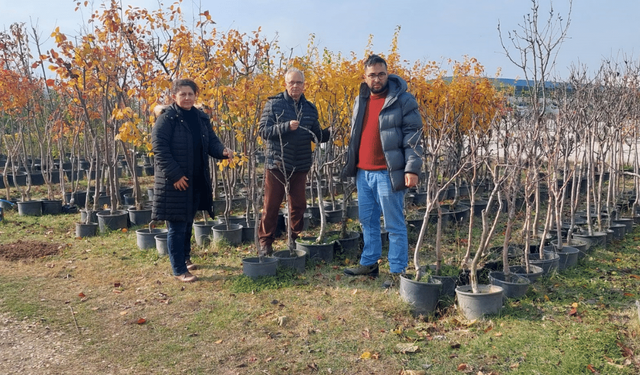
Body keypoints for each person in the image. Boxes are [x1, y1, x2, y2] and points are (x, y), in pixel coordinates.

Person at [342, 54, 423, 288]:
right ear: (364, 77)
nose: (376, 79)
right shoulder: (361, 99)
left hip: (388, 172)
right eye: (372, 75)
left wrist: (412, 168)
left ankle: (398, 272)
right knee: (367, 221)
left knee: (394, 224)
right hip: (363, 172)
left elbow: (413, 136)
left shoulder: (403, 100)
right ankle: (369, 263)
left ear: (387, 74)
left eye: (380, 74)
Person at [152, 78, 231, 282]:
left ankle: (185, 258)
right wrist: (175, 175)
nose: (187, 98)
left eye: (190, 94)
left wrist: (222, 151)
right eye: (183, 94)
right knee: (177, 225)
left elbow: (211, 141)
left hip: (195, 178)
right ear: (174, 96)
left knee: (187, 222)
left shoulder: (200, 118)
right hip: (175, 181)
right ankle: (179, 269)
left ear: (195, 96)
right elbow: (159, 149)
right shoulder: (166, 118)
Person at [258, 68, 331, 256]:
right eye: (292, 82)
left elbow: (316, 134)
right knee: (271, 205)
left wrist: (330, 132)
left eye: (299, 83)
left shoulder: (310, 108)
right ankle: (266, 242)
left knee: (299, 204)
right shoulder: (274, 105)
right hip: (277, 163)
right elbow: (264, 131)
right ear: (286, 84)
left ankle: (295, 237)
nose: (295, 86)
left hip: (300, 164)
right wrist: (285, 127)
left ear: (304, 85)